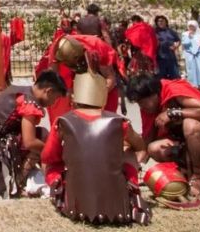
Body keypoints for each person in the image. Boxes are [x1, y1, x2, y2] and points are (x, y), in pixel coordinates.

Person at [41, 65, 150, 224]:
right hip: (117, 206)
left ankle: (68, 196)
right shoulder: (120, 122)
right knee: (128, 152)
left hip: (75, 202)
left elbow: (48, 157)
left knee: (51, 164)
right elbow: (140, 147)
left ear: (74, 98)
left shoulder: (62, 122)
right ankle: (127, 191)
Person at [0, 70, 67, 198]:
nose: (53, 103)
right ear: (48, 91)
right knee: (42, 138)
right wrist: (54, 152)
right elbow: (29, 142)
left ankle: (43, 179)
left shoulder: (19, 90)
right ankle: (21, 182)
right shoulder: (29, 103)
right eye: (55, 98)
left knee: (41, 136)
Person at [180, 21, 200, 90]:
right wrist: (189, 36)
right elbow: (185, 43)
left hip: (199, 53)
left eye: (192, 26)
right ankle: (193, 85)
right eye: (190, 26)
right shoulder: (185, 34)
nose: (191, 28)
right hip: (189, 53)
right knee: (191, 69)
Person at [154, 16, 181, 80]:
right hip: (160, 56)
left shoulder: (171, 31)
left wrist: (175, 46)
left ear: (166, 22)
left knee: (174, 75)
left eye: (162, 21)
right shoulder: (154, 32)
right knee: (161, 76)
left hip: (171, 56)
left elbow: (178, 40)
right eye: (159, 21)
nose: (160, 22)